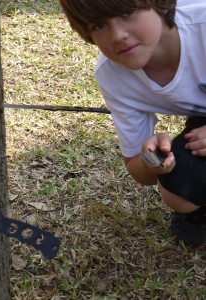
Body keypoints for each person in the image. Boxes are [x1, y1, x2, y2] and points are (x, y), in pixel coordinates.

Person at [59, 0, 206, 249]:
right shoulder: (113, 76)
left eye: (127, 13)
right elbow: (137, 170)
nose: (118, 35)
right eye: (99, 25)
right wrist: (151, 160)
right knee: (179, 185)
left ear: (161, 4)